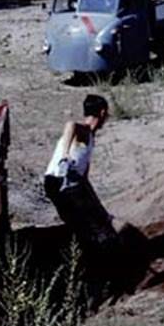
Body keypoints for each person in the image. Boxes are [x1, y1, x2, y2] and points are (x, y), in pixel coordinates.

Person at [43, 94, 119, 257]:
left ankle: (89, 253)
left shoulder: (90, 138)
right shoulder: (83, 131)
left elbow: (84, 179)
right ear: (102, 113)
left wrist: (99, 206)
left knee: (84, 220)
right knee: (83, 222)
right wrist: (64, 157)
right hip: (59, 182)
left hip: (71, 184)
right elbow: (70, 125)